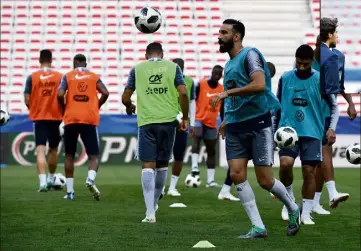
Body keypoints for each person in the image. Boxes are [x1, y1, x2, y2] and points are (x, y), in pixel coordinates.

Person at [211, 19, 301, 238]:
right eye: (219, 31)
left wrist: (226, 93)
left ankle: (293, 207)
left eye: (224, 32)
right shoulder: (229, 65)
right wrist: (226, 119)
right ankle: (258, 226)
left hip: (258, 123)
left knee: (265, 181)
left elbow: (259, 85)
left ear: (236, 36)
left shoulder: (250, 55)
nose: (219, 35)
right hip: (235, 126)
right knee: (236, 173)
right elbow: (236, 100)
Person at [121, 42, 189, 223]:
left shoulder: (137, 69)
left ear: (146, 55)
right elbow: (183, 93)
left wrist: (129, 105)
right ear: (162, 54)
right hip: (168, 122)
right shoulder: (173, 67)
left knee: (148, 166)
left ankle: (150, 213)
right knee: (162, 166)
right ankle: (154, 204)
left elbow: (125, 97)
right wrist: (186, 118)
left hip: (147, 122)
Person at [274, 45, 325, 225]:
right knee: (285, 165)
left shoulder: (320, 80)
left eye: (305, 64)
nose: (301, 67)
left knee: (309, 172)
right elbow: (277, 105)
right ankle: (289, 202)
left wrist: (330, 128)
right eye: (298, 63)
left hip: (312, 132)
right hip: (288, 132)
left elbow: (331, 106)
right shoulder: (286, 78)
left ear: (312, 62)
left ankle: (306, 213)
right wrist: (274, 132)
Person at [312, 33, 357, 213]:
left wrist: (351, 103)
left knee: (323, 155)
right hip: (307, 115)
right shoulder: (307, 61)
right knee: (315, 160)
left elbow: (339, 84)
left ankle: (316, 202)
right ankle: (287, 195)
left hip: (324, 114)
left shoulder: (334, 58)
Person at [57, 54, 109, 200]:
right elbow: (105, 92)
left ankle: (70, 192)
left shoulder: (67, 76)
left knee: (69, 155)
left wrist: (64, 108)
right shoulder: (93, 76)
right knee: (93, 156)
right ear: (85, 63)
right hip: (89, 119)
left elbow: (60, 94)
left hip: (71, 118)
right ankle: (90, 179)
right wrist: (97, 105)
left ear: (74, 63)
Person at [24, 49, 63, 192]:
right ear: (51, 60)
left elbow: (27, 99)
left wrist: (34, 108)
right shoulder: (59, 77)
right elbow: (63, 96)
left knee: (40, 151)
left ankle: (42, 183)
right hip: (55, 118)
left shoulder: (32, 77)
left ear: (39, 60)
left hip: (39, 118)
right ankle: (51, 178)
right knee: (53, 151)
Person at [190, 65, 224, 188]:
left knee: (211, 151)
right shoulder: (201, 84)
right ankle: (194, 167)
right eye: (215, 73)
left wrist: (224, 121)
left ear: (221, 76)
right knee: (197, 136)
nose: (217, 75)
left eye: (219, 74)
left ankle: (210, 181)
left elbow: (223, 108)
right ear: (212, 72)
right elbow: (193, 101)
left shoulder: (221, 89)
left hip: (211, 123)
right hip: (199, 118)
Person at [167, 58, 196, 197]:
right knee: (162, 155)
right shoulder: (165, 79)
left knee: (179, 155)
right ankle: (158, 186)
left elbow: (191, 102)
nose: (178, 68)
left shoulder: (189, 81)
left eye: (180, 67)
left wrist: (192, 123)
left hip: (183, 123)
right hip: (166, 121)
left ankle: (172, 187)